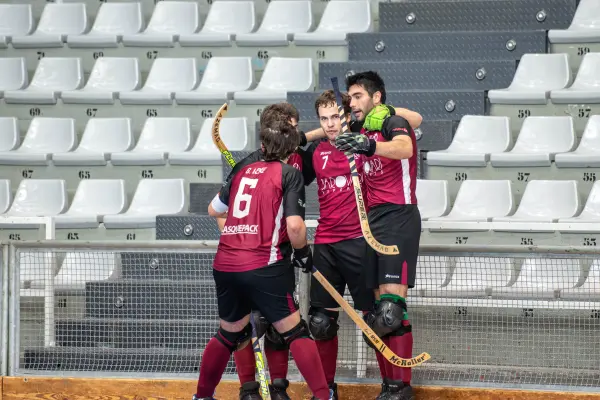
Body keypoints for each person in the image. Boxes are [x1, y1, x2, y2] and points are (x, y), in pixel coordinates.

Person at [194, 117, 332, 400]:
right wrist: (304, 253)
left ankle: (202, 396)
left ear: (262, 144)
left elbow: (214, 210)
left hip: (225, 264)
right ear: (288, 148)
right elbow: (295, 227)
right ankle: (323, 396)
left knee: (228, 334)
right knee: (295, 332)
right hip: (264, 264)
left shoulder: (241, 170)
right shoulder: (288, 173)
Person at [334, 71, 421, 400]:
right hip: (372, 221)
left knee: (391, 312)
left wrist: (369, 144)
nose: (352, 102)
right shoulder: (360, 128)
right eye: (350, 97)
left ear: (377, 97)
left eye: (358, 96)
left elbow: (404, 147)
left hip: (399, 216)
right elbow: (333, 128)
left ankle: (402, 387)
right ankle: (388, 387)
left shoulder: (389, 122)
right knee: (376, 316)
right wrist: (305, 137)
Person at [292, 90, 377, 399]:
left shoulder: (364, 144)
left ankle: (394, 388)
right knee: (321, 323)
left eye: (335, 117)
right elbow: (291, 176)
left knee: (377, 323)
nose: (330, 124)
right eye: (324, 119)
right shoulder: (315, 152)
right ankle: (325, 390)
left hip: (359, 242)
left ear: (346, 115)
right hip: (325, 246)